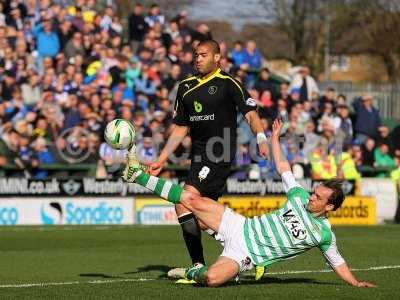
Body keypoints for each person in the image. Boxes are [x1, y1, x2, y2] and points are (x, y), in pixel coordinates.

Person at [122, 118, 376, 288]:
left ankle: (191, 272)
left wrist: (355, 283)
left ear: (330, 207)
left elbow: (337, 262)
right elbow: (283, 166)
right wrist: (274, 137)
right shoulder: (299, 196)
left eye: (318, 197)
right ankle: (138, 175)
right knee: (189, 200)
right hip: (239, 226)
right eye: (314, 192)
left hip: (246, 254)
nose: (311, 197)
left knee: (211, 279)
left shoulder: (323, 234)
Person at [147, 39, 268, 279]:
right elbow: (181, 128)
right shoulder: (185, 87)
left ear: (216, 58)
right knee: (202, 219)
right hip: (199, 156)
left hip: (219, 152)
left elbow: (250, 114)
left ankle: (197, 264)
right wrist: (161, 158)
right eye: (196, 55)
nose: (198, 59)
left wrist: (261, 137)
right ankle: (250, 252)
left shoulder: (229, 83)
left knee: (185, 199)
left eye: (203, 55)